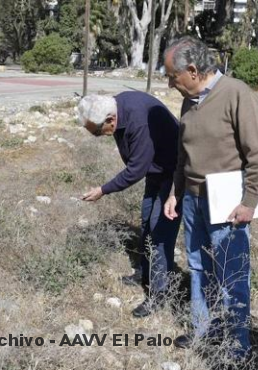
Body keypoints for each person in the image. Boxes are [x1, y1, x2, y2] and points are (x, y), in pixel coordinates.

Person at [162, 36, 258, 364]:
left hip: (227, 201)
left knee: (232, 275)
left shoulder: (237, 93)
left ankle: (238, 347)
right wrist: (175, 193)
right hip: (193, 200)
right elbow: (184, 156)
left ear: (193, 71)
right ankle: (201, 329)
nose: (170, 83)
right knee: (198, 267)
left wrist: (250, 201)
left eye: (172, 76)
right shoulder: (188, 100)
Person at [78, 92, 182, 318]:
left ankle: (159, 294)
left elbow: (136, 169)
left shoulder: (137, 121)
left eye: (97, 132)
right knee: (146, 222)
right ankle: (145, 272)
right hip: (156, 169)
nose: (99, 136)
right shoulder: (114, 106)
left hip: (174, 174)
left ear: (110, 121)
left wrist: (103, 190)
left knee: (159, 232)